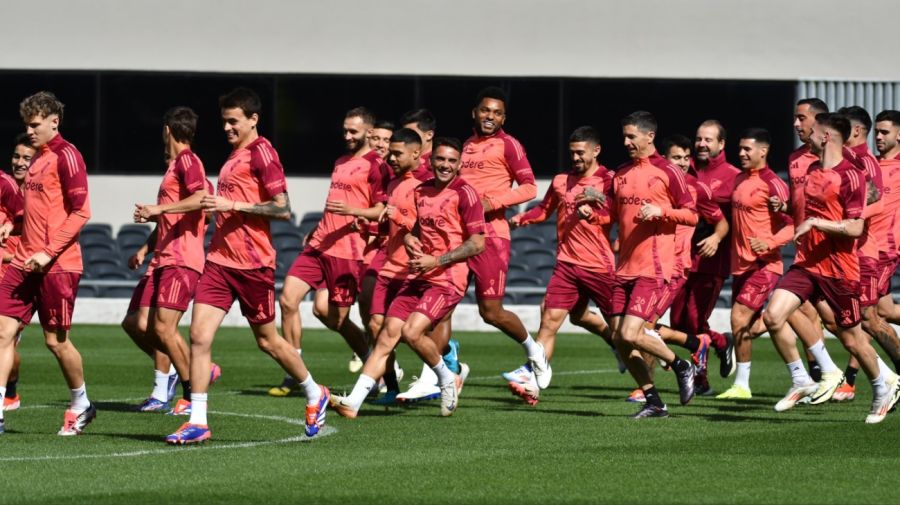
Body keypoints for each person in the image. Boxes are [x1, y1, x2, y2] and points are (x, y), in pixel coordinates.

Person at [166, 87, 330, 444]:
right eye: (224, 121)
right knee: (198, 337)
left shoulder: (263, 153)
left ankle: (315, 392)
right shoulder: (232, 157)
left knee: (268, 341)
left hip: (253, 265)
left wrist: (234, 205)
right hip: (219, 262)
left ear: (253, 119)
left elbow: (282, 208)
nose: (226, 127)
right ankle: (197, 420)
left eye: (233, 121)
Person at [762, 113, 900, 423]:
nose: (804, 133)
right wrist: (788, 212)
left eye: (811, 130)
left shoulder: (851, 175)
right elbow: (807, 211)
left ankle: (883, 386)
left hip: (840, 268)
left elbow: (854, 228)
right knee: (772, 315)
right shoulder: (811, 168)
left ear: (826, 137)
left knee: (852, 336)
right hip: (808, 263)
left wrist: (816, 223)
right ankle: (802, 379)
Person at [332, 137, 484, 417]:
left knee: (412, 332)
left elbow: (477, 243)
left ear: (460, 164)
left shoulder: (466, 194)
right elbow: (416, 227)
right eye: (440, 159)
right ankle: (353, 401)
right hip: (420, 273)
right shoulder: (422, 191)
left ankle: (446, 377)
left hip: (449, 278)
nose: (445, 165)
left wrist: (437, 260)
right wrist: (412, 241)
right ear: (432, 160)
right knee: (386, 335)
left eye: (452, 161)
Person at [270, 107, 384, 396]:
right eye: (344, 130)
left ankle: (374, 365)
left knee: (332, 316)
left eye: (353, 131)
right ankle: (293, 369)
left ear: (369, 133)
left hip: (348, 251)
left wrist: (353, 211)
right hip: (321, 243)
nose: (346, 136)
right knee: (287, 300)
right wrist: (319, 226)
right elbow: (335, 201)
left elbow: (383, 210)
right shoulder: (341, 160)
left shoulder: (377, 165)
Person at [0, 91, 94, 435]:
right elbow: (38, 212)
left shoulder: (68, 156)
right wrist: (15, 225)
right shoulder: (37, 159)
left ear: (55, 121)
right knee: (2, 333)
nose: (30, 129)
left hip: (58, 264)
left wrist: (48, 251)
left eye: (35, 124)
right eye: (26, 123)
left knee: (55, 342)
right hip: (23, 262)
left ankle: (81, 403)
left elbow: (82, 211)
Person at [504, 126, 616, 405]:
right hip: (566, 264)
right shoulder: (560, 180)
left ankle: (644, 379)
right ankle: (532, 380)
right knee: (549, 320)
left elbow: (614, 214)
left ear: (596, 150)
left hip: (598, 266)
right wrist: (521, 219)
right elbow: (544, 210)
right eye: (572, 152)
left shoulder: (609, 180)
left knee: (626, 329)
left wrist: (596, 213)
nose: (575, 157)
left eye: (581, 152)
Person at [605, 111, 699, 419]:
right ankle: (654, 401)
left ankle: (681, 365)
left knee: (632, 332)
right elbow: (611, 214)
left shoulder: (668, 171)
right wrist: (592, 214)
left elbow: (691, 215)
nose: (626, 142)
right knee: (619, 338)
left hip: (653, 267)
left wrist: (661, 210)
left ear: (649, 136)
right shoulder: (619, 173)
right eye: (624, 136)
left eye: (632, 136)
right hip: (624, 268)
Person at [134, 106, 221, 415]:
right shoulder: (173, 167)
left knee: (164, 328)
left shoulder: (188, 161)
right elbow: (178, 213)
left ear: (167, 130)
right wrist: (146, 248)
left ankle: (189, 388)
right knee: (137, 323)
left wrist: (157, 211)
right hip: (162, 257)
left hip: (182, 258)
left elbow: (202, 199)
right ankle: (190, 370)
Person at [452, 87, 542, 383]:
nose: (490, 116)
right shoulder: (465, 146)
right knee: (442, 301)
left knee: (490, 312)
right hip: (460, 235)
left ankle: (534, 350)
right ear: (474, 112)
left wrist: (491, 202)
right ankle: (444, 371)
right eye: (485, 110)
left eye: (497, 112)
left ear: (503, 118)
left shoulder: (509, 145)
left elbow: (530, 187)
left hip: (492, 236)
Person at [716, 129, 793, 399]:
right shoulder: (738, 179)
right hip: (741, 267)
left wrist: (770, 243)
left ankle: (742, 385)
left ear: (763, 151)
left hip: (764, 265)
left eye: (748, 149)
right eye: (740, 149)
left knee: (737, 317)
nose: (742, 153)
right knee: (743, 324)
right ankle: (800, 372)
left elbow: (794, 223)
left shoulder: (774, 183)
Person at [832, 107, 900, 401]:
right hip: (858, 249)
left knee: (869, 317)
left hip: (884, 249)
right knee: (883, 312)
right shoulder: (865, 165)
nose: (880, 137)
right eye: (879, 132)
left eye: (886, 132)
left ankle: (858, 379)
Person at [667, 120, 739, 379]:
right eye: (699, 139)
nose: (701, 144)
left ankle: (701, 379)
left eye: (708, 140)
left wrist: (718, 239)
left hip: (712, 260)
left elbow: (738, 217)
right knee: (676, 323)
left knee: (696, 322)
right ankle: (721, 342)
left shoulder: (733, 176)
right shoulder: (685, 168)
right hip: (680, 258)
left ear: (722, 144)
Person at [0, 134, 30, 412]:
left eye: (26, 158)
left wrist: (10, 256)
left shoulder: (31, 193)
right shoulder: (7, 185)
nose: (19, 163)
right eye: (16, 157)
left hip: (15, 274)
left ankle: (10, 390)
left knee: (5, 337)